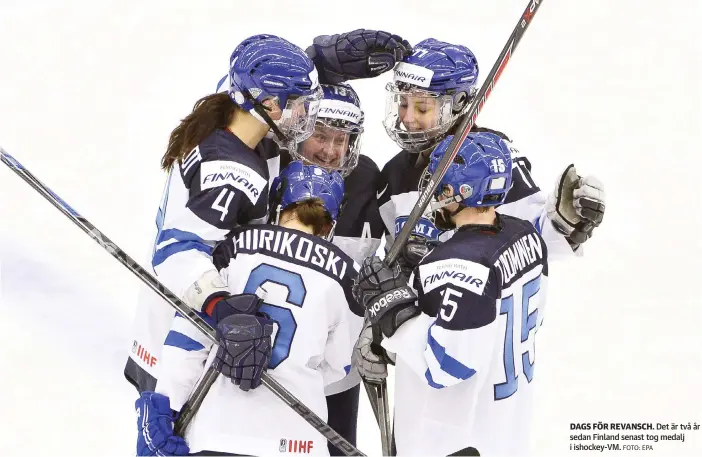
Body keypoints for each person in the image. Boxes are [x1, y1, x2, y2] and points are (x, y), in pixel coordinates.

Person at [135, 161, 364, 456]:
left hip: (218, 432)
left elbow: (190, 337)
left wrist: (166, 404)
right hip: (297, 441)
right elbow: (338, 365)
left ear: (278, 205)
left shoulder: (233, 249)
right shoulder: (348, 275)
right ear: (331, 222)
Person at [353, 133, 549, 456]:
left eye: (440, 184)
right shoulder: (526, 236)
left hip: (454, 442)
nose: (434, 191)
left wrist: (392, 313)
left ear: (458, 192)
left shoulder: (459, 264)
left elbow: (449, 363)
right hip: (505, 430)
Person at [377, 38, 606, 271]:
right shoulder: (394, 173)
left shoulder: (490, 157)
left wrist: (565, 224)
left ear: (459, 103)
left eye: (422, 107)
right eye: (403, 103)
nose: (407, 118)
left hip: (476, 304)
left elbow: (536, 239)